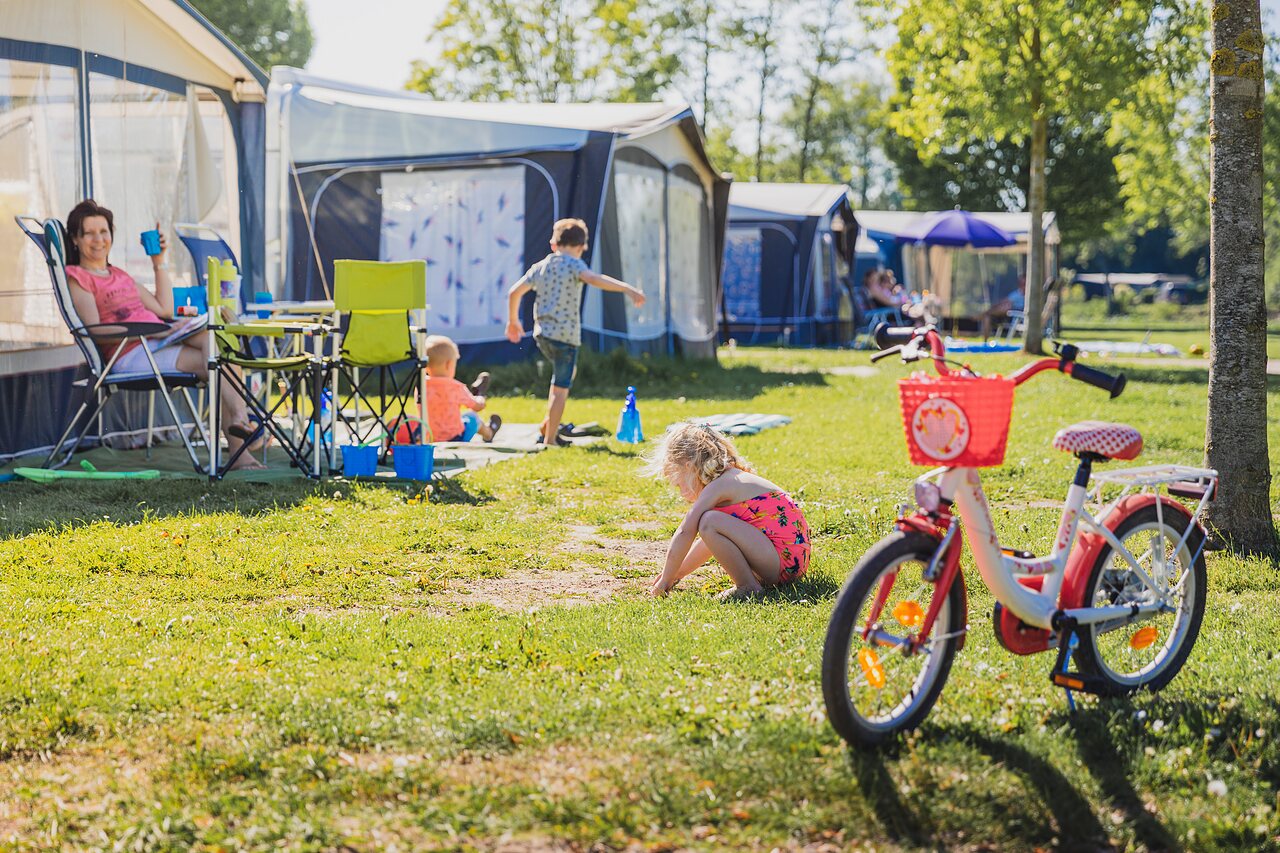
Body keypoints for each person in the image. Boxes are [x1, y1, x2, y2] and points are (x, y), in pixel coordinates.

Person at [63, 199, 264, 469]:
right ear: (75, 239)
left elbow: (163, 308)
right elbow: (96, 331)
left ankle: (241, 444)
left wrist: (159, 262)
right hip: (130, 352)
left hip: (157, 340)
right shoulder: (78, 277)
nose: (98, 239)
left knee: (218, 353)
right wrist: (158, 330)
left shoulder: (119, 274)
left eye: (104, 231)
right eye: (89, 233)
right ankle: (244, 423)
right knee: (214, 348)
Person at [504, 218, 645, 447]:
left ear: (553, 244)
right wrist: (627, 289)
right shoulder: (574, 264)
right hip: (565, 338)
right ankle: (550, 440)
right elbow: (594, 279)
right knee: (561, 389)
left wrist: (513, 321)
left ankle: (547, 425)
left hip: (543, 335)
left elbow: (514, 293)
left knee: (564, 378)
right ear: (581, 247)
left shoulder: (541, 266)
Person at [645, 423, 811, 600]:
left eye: (679, 484)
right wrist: (676, 575)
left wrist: (665, 580)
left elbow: (685, 531)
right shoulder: (731, 478)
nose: (681, 492)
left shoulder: (720, 486)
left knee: (709, 521)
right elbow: (708, 542)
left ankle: (748, 586)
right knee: (710, 523)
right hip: (790, 563)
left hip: (780, 562)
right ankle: (751, 582)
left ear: (688, 467)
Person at [423, 335, 500, 442]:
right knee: (472, 417)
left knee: (461, 417)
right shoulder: (455, 387)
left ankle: (475, 393)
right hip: (456, 437)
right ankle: (489, 433)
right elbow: (477, 406)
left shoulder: (421, 385)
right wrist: (481, 399)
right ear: (449, 364)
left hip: (428, 437)